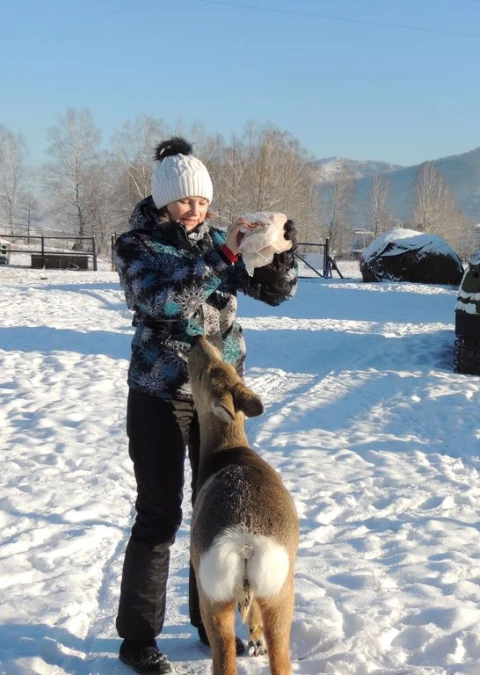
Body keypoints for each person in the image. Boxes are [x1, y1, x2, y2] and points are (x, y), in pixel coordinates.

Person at [112, 137, 299, 674]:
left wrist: (279, 249)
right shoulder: (135, 246)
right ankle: (138, 637)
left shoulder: (216, 239)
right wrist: (222, 256)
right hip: (161, 394)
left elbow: (275, 292)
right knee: (160, 513)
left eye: (202, 201)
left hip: (220, 394)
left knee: (213, 514)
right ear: (163, 200)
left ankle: (208, 618)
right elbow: (163, 301)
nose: (197, 211)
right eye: (186, 201)